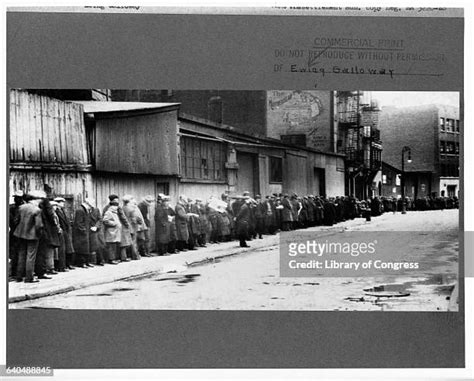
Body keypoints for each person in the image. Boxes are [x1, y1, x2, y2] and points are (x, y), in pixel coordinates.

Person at [13, 190, 45, 283]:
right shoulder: (37, 210)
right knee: (30, 257)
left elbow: (16, 221)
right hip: (32, 236)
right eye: (40, 199)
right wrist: (39, 235)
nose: (40, 202)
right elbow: (39, 226)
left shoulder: (21, 207)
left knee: (21, 255)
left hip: (20, 234)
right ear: (35, 199)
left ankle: (18, 277)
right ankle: (29, 277)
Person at [54, 197, 75, 271]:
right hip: (61, 232)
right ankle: (61, 266)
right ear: (58, 203)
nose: (63, 204)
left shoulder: (62, 210)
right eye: (61, 202)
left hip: (66, 232)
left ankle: (67, 264)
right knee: (61, 250)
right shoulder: (56, 211)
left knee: (67, 249)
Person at [73, 199, 93, 268]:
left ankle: (86, 262)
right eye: (90, 205)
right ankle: (81, 263)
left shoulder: (85, 210)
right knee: (81, 248)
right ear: (87, 203)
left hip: (85, 232)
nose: (91, 207)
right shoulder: (80, 210)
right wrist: (83, 231)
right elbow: (79, 222)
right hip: (80, 233)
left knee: (86, 248)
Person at [9, 190, 24, 280]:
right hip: (20, 233)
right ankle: (18, 273)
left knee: (15, 253)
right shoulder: (21, 208)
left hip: (14, 233)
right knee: (19, 253)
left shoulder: (11, 208)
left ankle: (16, 273)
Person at [122, 195, 141, 260]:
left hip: (125, 227)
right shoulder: (131, 209)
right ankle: (135, 256)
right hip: (132, 227)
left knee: (127, 242)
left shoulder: (123, 208)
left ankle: (128, 255)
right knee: (133, 242)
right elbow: (134, 219)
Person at [87, 198, 106, 266]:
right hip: (90, 230)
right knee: (92, 246)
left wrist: (96, 226)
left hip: (97, 230)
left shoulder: (96, 210)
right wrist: (90, 227)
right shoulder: (86, 210)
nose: (92, 205)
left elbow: (100, 219)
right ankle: (92, 261)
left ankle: (100, 260)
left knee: (100, 245)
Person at [102, 200, 121, 265]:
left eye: (116, 206)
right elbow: (105, 221)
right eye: (114, 206)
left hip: (115, 232)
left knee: (114, 246)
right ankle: (111, 259)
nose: (116, 207)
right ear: (111, 206)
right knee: (111, 246)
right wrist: (114, 223)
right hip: (111, 232)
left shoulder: (114, 212)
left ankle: (114, 258)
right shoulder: (108, 212)